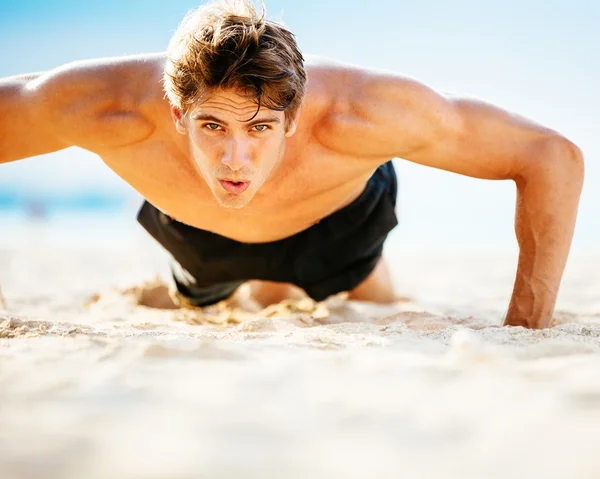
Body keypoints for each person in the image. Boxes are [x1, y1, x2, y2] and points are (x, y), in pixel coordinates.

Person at [0, 0, 584, 329]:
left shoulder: (364, 113)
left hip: (334, 224)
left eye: (259, 127)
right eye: (212, 126)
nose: (236, 157)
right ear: (177, 113)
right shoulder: (107, 108)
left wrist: (526, 330)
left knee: (371, 303)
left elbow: (551, 156)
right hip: (200, 232)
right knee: (205, 299)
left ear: (295, 117)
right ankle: (197, 286)